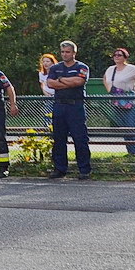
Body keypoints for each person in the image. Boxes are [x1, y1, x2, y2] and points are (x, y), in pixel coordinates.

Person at [46, 40, 91, 179]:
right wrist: (68, 82)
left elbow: (79, 82)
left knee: (80, 138)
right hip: (59, 106)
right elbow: (50, 84)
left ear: (74, 53)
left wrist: (61, 81)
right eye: (63, 52)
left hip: (75, 106)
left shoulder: (81, 67)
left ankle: (84, 170)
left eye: (68, 52)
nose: (65, 54)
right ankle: (60, 169)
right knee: (59, 139)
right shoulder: (55, 68)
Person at [103, 48, 135, 156]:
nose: (116, 56)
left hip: (131, 102)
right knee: (124, 128)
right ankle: (130, 152)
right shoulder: (111, 69)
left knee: (131, 127)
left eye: (119, 55)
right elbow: (105, 78)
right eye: (115, 55)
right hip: (117, 102)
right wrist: (109, 89)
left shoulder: (131, 68)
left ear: (125, 57)